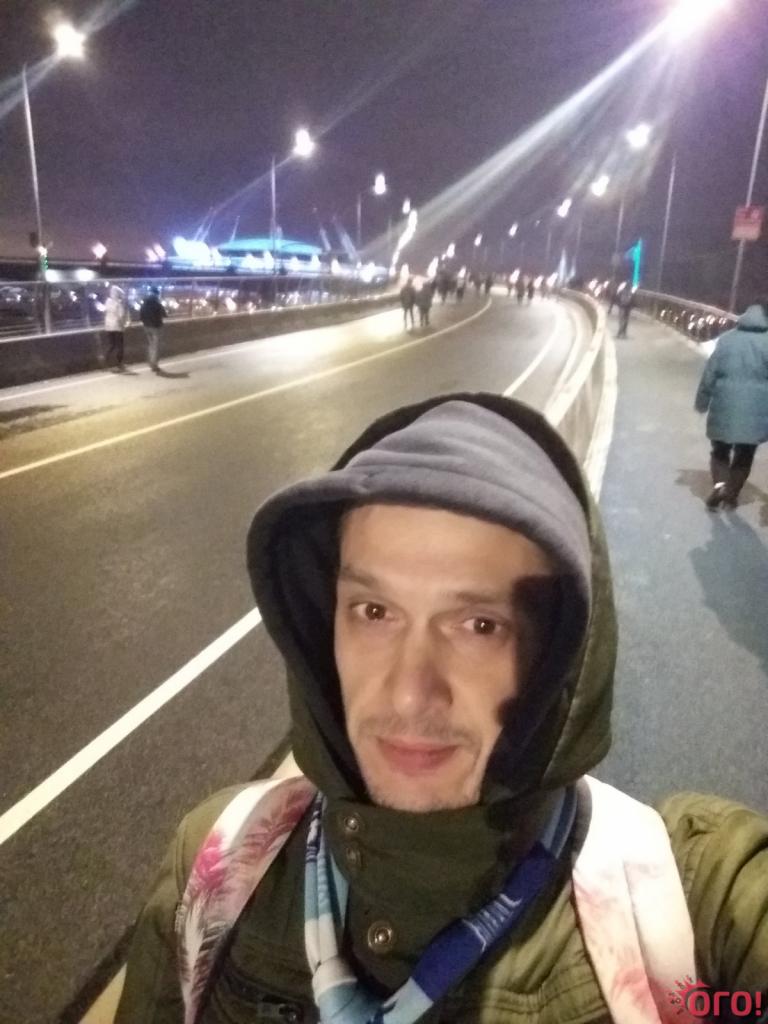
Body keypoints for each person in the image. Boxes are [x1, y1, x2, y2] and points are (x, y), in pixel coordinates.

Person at [117, 393, 768, 1024]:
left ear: (557, 658)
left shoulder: (691, 899)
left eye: (480, 625)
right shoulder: (217, 867)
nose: (409, 692)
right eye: (374, 611)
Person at [695, 301, 768, 510]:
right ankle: (731, 495)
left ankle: (720, 485)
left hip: (724, 406)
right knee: (745, 455)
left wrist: (702, 401)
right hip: (756, 411)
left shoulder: (726, 340)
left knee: (719, 451)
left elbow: (710, 373)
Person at [102, 285, 129, 370]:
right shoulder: (118, 304)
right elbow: (120, 316)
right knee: (120, 346)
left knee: (112, 345)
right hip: (117, 327)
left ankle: (105, 360)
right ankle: (119, 364)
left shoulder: (107, 301)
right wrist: (123, 326)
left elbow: (105, 311)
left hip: (108, 326)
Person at [139, 286, 166, 372]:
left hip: (146, 326)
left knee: (150, 345)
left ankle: (150, 361)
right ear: (156, 294)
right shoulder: (157, 304)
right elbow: (164, 314)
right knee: (156, 346)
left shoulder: (144, 302)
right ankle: (154, 364)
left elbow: (141, 314)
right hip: (156, 327)